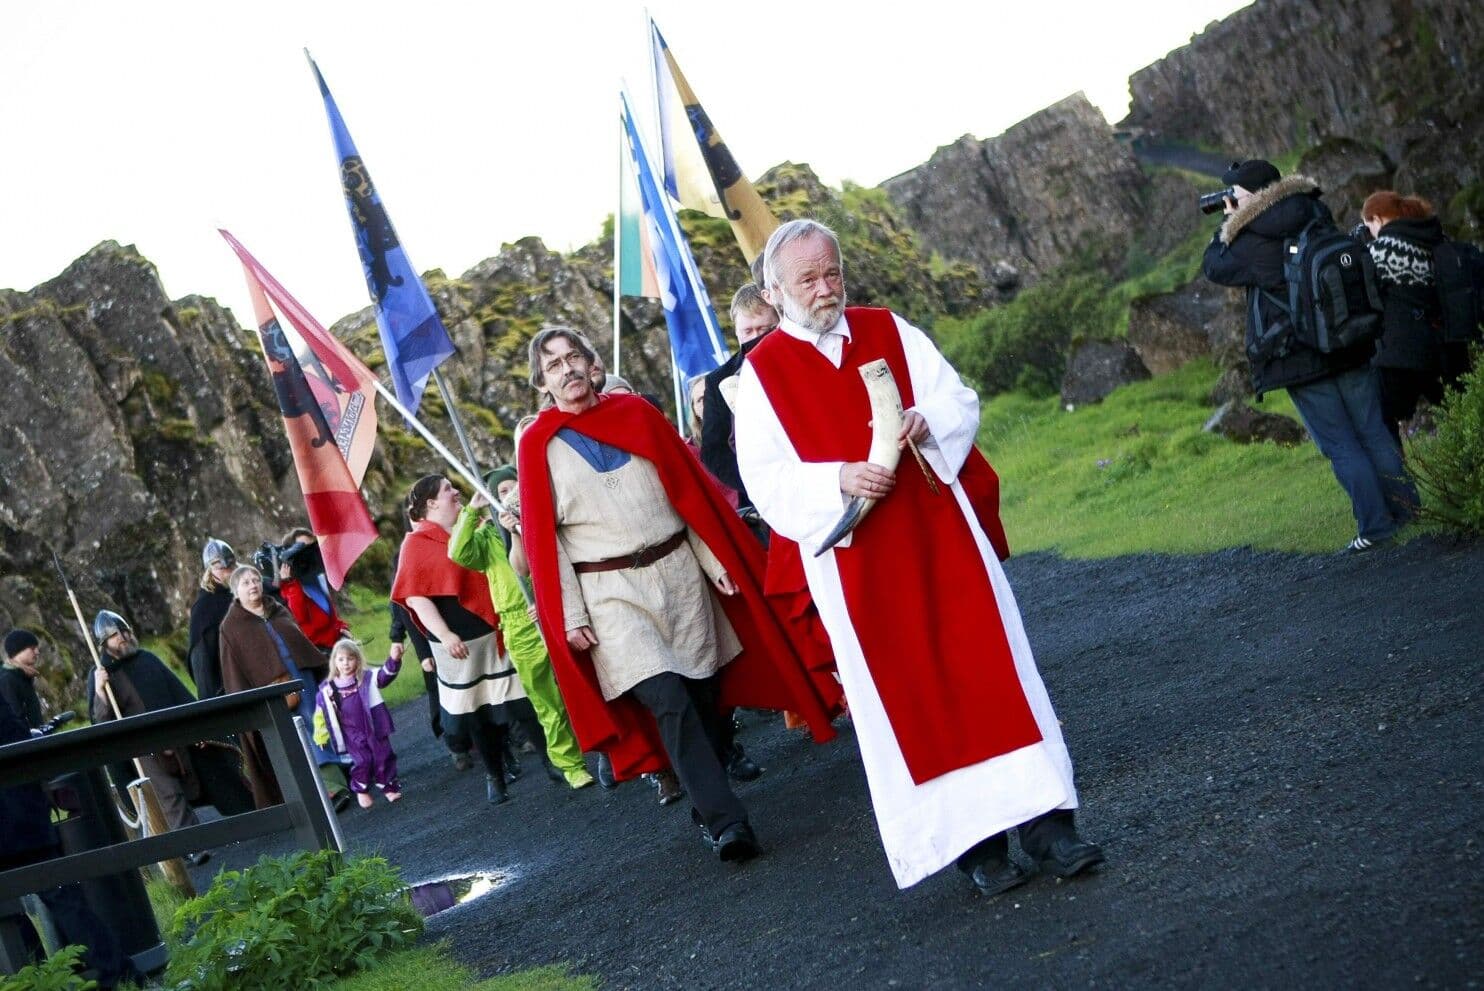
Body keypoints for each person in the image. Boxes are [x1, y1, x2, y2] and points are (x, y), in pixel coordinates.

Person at [734, 219, 1104, 896]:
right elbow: (765, 477)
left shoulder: (887, 328)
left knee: (992, 672)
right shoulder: (759, 376)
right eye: (808, 279)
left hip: (939, 532)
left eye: (832, 272)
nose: (825, 289)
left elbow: (957, 397)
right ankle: (977, 849)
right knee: (914, 700)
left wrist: (927, 420)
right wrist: (836, 478)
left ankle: (1050, 828)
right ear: (775, 290)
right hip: (858, 562)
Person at [516, 326, 841, 862]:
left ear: (592, 363)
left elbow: (688, 496)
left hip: (680, 575)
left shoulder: (638, 416)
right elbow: (543, 541)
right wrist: (569, 613)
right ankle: (727, 822)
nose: (567, 368)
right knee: (668, 699)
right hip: (609, 592)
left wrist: (717, 563)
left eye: (574, 356)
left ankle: (703, 796)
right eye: (553, 364)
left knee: (707, 696)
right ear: (542, 382)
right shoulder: (538, 445)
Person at [1202, 160, 1419, 553]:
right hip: (1350, 341)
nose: (1228, 201)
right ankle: (1409, 514)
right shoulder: (1313, 213)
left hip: (1300, 358)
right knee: (1373, 432)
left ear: (1250, 195)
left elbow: (1214, 266)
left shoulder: (1253, 240)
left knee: (1340, 444)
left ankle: (1376, 527)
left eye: (1233, 194)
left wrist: (1228, 226)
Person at [448, 465, 596, 789]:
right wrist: (472, 511)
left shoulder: (542, 522)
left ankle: (610, 753)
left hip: (555, 611)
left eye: (514, 489)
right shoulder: (486, 538)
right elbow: (457, 551)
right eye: (501, 493)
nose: (509, 498)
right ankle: (570, 764)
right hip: (518, 624)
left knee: (585, 684)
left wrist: (544, 601)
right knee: (547, 700)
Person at [391, 475, 536, 806]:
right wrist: (443, 634)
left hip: (493, 628)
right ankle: (494, 774)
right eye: (447, 490)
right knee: (476, 713)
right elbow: (415, 597)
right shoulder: (415, 544)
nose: (455, 492)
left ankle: (547, 760)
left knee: (515, 699)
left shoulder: (471, 527)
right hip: (455, 642)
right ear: (431, 503)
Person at [88, 611, 254, 863]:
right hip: (142, 747)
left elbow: (178, 693)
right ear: (103, 644)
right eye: (113, 635)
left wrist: (197, 728)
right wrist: (100, 692)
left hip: (174, 735)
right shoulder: (102, 676)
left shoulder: (146, 660)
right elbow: (100, 722)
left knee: (212, 773)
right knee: (169, 795)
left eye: (123, 631)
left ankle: (253, 817)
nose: (122, 638)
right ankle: (193, 847)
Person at [0, 696, 127, 988]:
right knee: (64, 900)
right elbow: (14, 737)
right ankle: (115, 971)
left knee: (12, 915)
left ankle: (39, 979)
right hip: (20, 814)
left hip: (15, 814)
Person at [218, 565, 345, 810]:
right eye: (245, 583)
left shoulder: (277, 609)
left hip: (303, 677)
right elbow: (234, 670)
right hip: (272, 692)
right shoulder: (231, 627)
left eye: (255, 580)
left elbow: (300, 641)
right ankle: (313, 796)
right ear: (235, 591)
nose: (253, 585)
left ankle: (335, 786)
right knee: (290, 739)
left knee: (316, 725)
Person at [1360, 190, 1470, 445]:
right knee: (1462, 418)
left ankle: (1399, 482)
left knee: (1383, 424)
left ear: (1378, 219)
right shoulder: (1436, 238)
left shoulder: (1381, 251)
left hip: (1399, 354)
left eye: (1369, 226)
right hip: (1446, 346)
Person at [390, 548, 474, 770]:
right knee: (442, 695)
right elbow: (401, 615)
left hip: (456, 635)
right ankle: (457, 746)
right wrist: (422, 653)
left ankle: (488, 738)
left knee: (470, 686)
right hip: (429, 645)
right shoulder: (403, 569)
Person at [700, 283, 780, 509]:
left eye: (765, 329)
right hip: (768, 495)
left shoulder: (799, 357)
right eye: (748, 331)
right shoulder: (718, 381)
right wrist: (758, 483)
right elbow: (714, 451)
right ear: (736, 331)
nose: (756, 337)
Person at [313, 640, 402, 808]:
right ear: (334, 662)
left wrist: (394, 659)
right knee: (363, 761)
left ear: (358, 660)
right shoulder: (328, 689)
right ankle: (361, 789)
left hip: (374, 726)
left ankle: (388, 787)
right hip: (351, 732)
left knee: (384, 756)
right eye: (341, 659)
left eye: (350, 658)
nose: (346, 663)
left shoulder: (367, 678)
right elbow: (320, 715)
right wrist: (321, 735)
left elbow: (385, 675)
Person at [276, 528, 350, 651]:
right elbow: (299, 617)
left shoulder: (318, 577)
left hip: (336, 645)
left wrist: (342, 628)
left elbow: (331, 617)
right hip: (317, 650)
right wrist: (290, 583)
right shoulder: (289, 587)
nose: (308, 553)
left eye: (311, 547)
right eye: (302, 548)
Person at [187, 537, 237, 700]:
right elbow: (202, 664)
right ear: (210, 571)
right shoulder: (204, 609)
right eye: (222, 568)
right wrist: (213, 701)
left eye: (230, 566)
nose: (228, 571)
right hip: (230, 687)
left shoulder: (242, 592)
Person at [1, 628, 45, 730]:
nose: (37, 652)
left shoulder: (24, 676)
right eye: (32, 648)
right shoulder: (6, 680)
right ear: (18, 650)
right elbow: (14, 719)